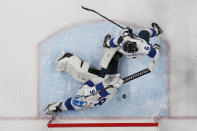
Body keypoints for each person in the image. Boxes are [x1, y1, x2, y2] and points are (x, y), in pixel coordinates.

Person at [44, 23, 162, 115]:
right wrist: (155, 48)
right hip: (108, 83)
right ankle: (115, 56)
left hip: (104, 84)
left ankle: (111, 53)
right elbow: (101, 89)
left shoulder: (79, 102)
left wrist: (59, 107)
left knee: (86, 73)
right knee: (110, 59)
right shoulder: (89, 96)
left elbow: (69, 105)